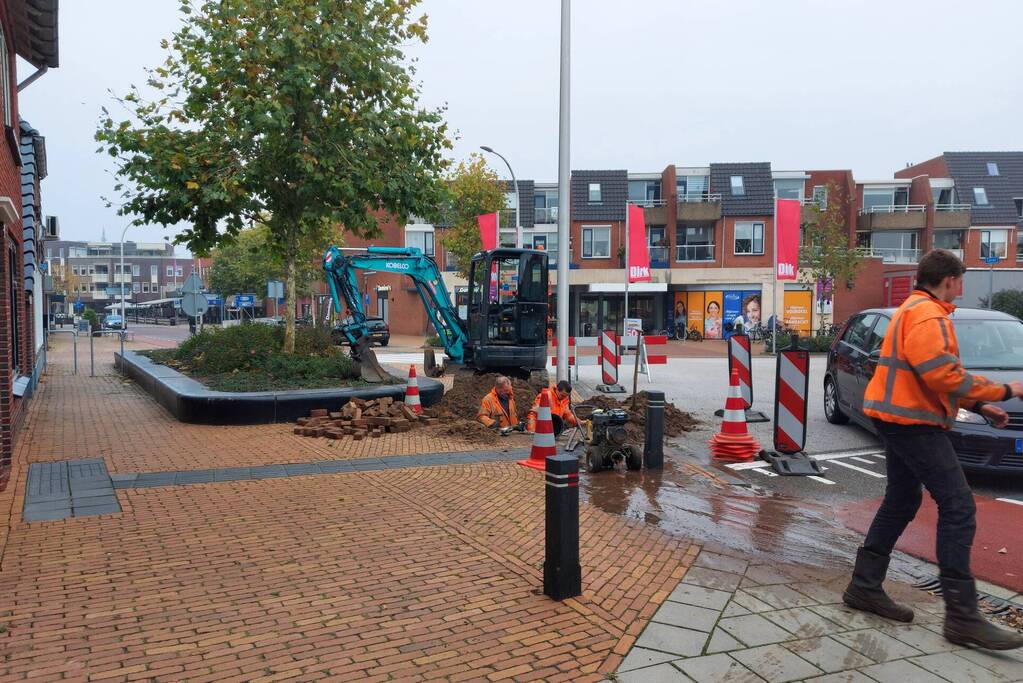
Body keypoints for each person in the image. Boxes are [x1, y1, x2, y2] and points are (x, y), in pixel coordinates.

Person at [843, 249, 1023, 650]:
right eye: (960, 281)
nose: (962, 288)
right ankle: (962, 618)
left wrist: (978, 405)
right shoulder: (928, 316)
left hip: (900, 418)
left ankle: (864, 586)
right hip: (915, 423)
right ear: (949, 280)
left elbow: (927, 375)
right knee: (959, 507)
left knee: (902, 499)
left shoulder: (912, 309)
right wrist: (1006, 390)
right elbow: (942, 373)